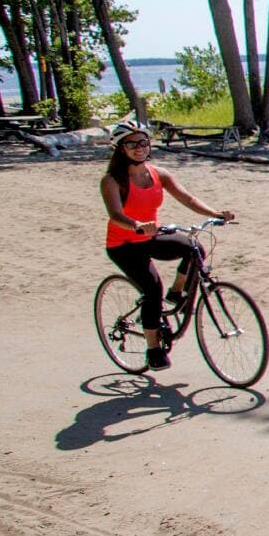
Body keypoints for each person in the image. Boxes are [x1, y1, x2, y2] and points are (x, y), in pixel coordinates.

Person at [100, 121, 237, 370]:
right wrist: (138, 225)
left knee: (194, 248)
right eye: (132, 144)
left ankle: (176, 291)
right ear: (121, 148)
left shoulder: (158, 174)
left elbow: (187, 198)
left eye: (143, 142)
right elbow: (115, 215)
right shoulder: (112, 180)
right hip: (124, 244)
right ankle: (153, 350)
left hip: (150, 237)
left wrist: (216, 213)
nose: (140, 148)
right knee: (152, 289)